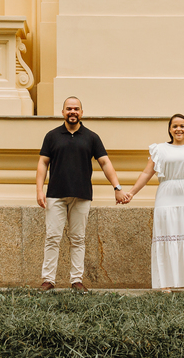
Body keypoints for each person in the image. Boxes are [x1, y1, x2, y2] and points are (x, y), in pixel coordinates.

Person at [36, 96, 128, 292]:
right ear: (62, 112)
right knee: (52, 237)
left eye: (76, 109)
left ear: (81, 113)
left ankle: (76, 280)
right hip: (55, 195)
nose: (72, 112)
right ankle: (48, 280)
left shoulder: (91, 137)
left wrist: (117, 188)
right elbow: (43, 163)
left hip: (82, 195)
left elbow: (105, 163)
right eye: (69, 108)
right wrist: (39, 190)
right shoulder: (52, 136)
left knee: (78, 239)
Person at [122, 113, 184, 291]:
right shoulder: (159, 149)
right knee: (168, 236)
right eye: (175, 126)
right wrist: (132, 193)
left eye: (182, 126)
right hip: (166, 196)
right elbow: (146, 173)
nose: (178, 129)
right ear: (170, 129)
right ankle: (166, 284)